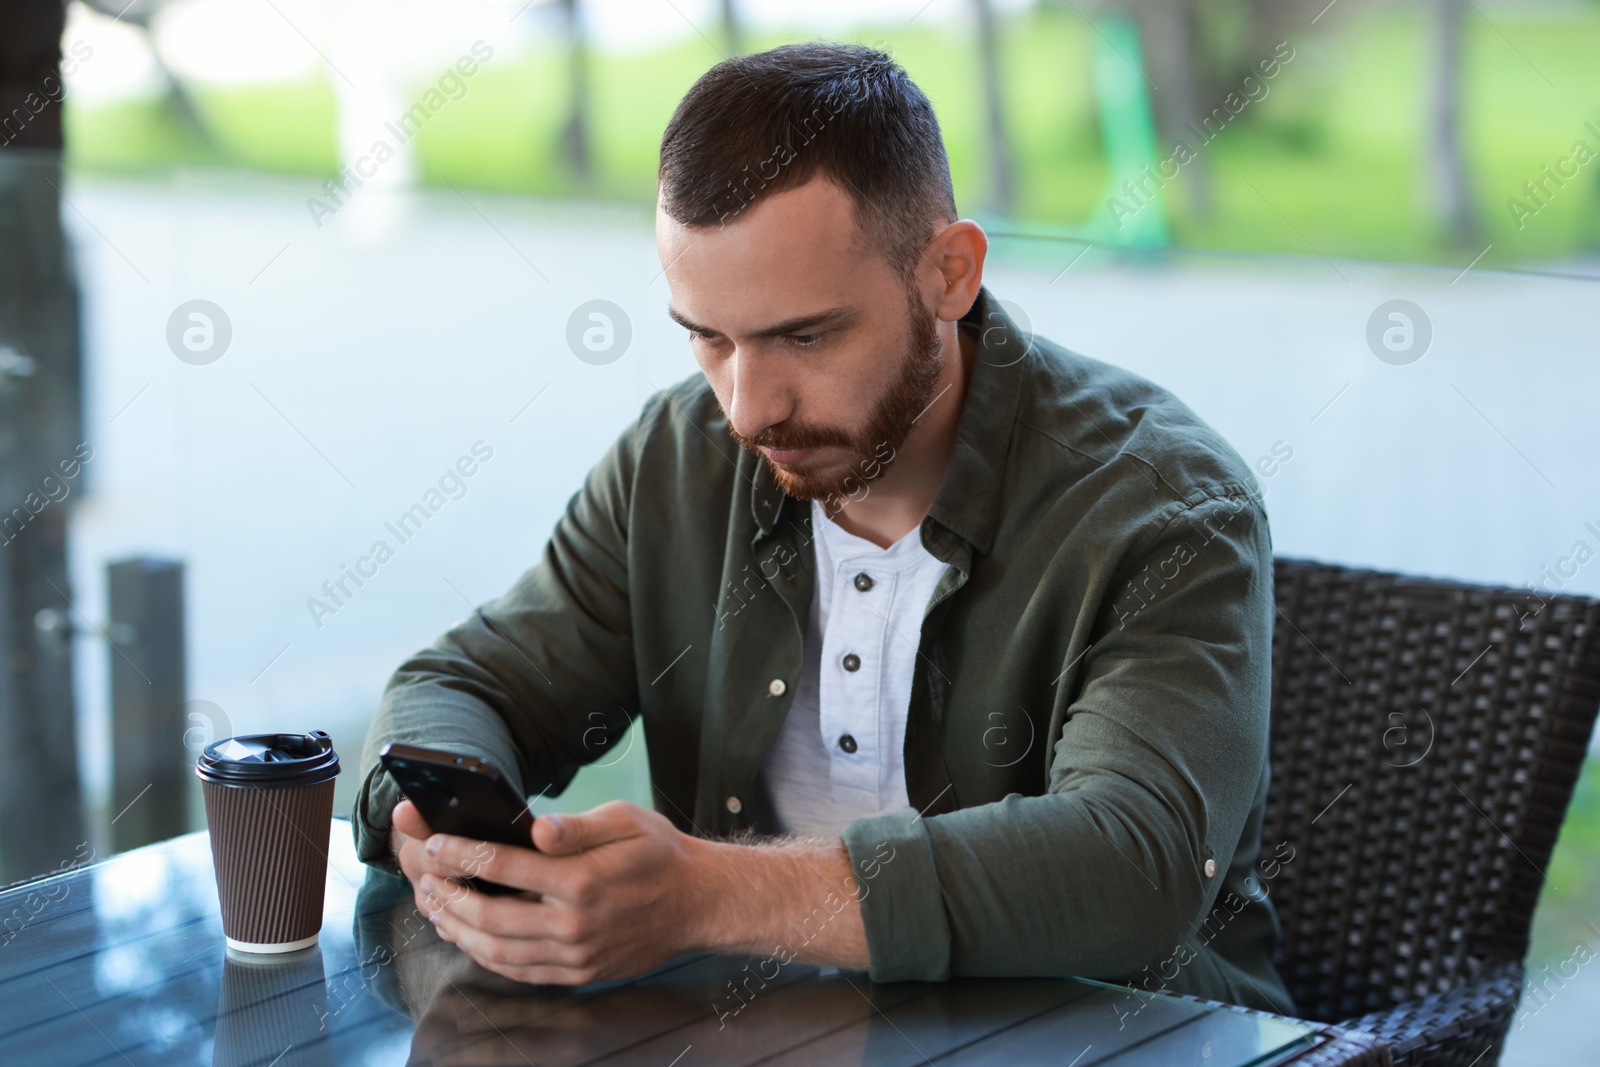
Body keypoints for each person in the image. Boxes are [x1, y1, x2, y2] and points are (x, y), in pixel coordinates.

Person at [353, 41, 1295, 1015]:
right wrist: (443, 833)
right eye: (708, 337)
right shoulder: (680, 455)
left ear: (950, 273)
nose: (749, 407)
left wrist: (703, 895)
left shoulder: (1165, 506)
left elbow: (1129, 864)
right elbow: (459, 685)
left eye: (804, 335)